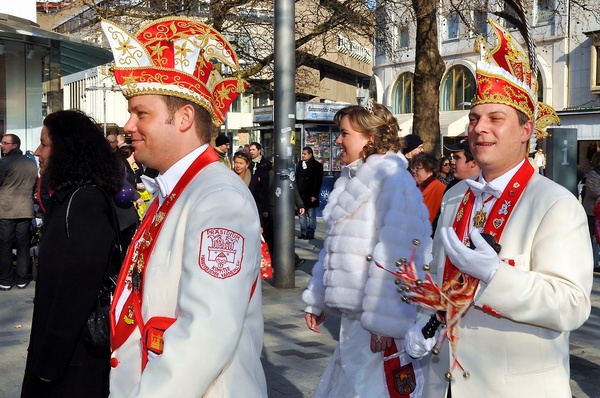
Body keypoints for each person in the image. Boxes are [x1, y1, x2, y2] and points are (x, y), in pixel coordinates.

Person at [405, 19, 592, 397]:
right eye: (474, 118)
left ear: (526, 130)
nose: (478, 128)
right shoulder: (457, 197)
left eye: (495, 118)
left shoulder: (554, 203)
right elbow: (445, 284)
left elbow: (571, 306)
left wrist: (495, 276)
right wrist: (428, 320)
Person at [101, 17, 267, 397]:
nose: (128, 125)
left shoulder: (218, 197)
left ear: (185, 118)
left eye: (141, 113)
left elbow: (206, 331)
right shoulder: (178, 189)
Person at [302, 101, 432, 397]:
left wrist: (386, 321)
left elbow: (400, 254)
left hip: (376, 326)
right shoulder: (351, 179)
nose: (338, 140)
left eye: (345, 133)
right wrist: (317, 298)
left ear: (369, 138)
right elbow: (333, 247)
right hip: (355, 319)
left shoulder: (393, 179)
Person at [21, 109, 123, 397]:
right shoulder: (68, 199)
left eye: (45, 144)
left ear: (66, 150)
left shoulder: (85, 201)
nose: (38, 152)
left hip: (74, 359)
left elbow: (76, 292)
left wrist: (50, 362)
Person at [0, 133, 38, 291]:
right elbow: (34, 186)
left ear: (15, 145)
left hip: (6, 210)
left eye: (5, 143)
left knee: (5, 245)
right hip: (25, 209)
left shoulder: (5, 162)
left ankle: (6, 280)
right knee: (23, 245)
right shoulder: (30, 164)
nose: (2, 145)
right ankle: (22, 279)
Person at [296, 146, 323, 240]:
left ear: (310, 154)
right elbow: (297, 177)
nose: (303, 155)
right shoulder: (300, 164)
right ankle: (303, 232)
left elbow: (318, 181)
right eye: (302, 154)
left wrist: (315, 195)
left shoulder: (317, 166)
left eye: (305, 154)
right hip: (301, 194)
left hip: (311, 194)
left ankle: (310, 233)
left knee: (311, 215)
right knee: (301, 214)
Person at [232, 151, 269, 222]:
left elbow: (257, 200)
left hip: (248, 216)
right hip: (233, 216)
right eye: (236, 163)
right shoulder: (229, 176)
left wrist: (260, 223)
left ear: (247, 164)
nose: (238, 166)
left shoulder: (253, 179)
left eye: (241, 163)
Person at [410, 152, 446, 223]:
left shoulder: (440, 189)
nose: (414, 171)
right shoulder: (413, 188)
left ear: (430, 171)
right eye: (413, 167)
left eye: (418, 168)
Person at [582, 152, 600, 271]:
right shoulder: (594, 174)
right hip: (592, 211)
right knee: (592, 237)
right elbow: (593, 190)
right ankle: (591, 263)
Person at [249, 141, 271, 224]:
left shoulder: (265, 164)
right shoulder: (249, 163)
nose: (251, 152)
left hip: (261, 196)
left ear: (259, 150)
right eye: (250, 150)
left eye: (253, 150)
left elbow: (267, 185)